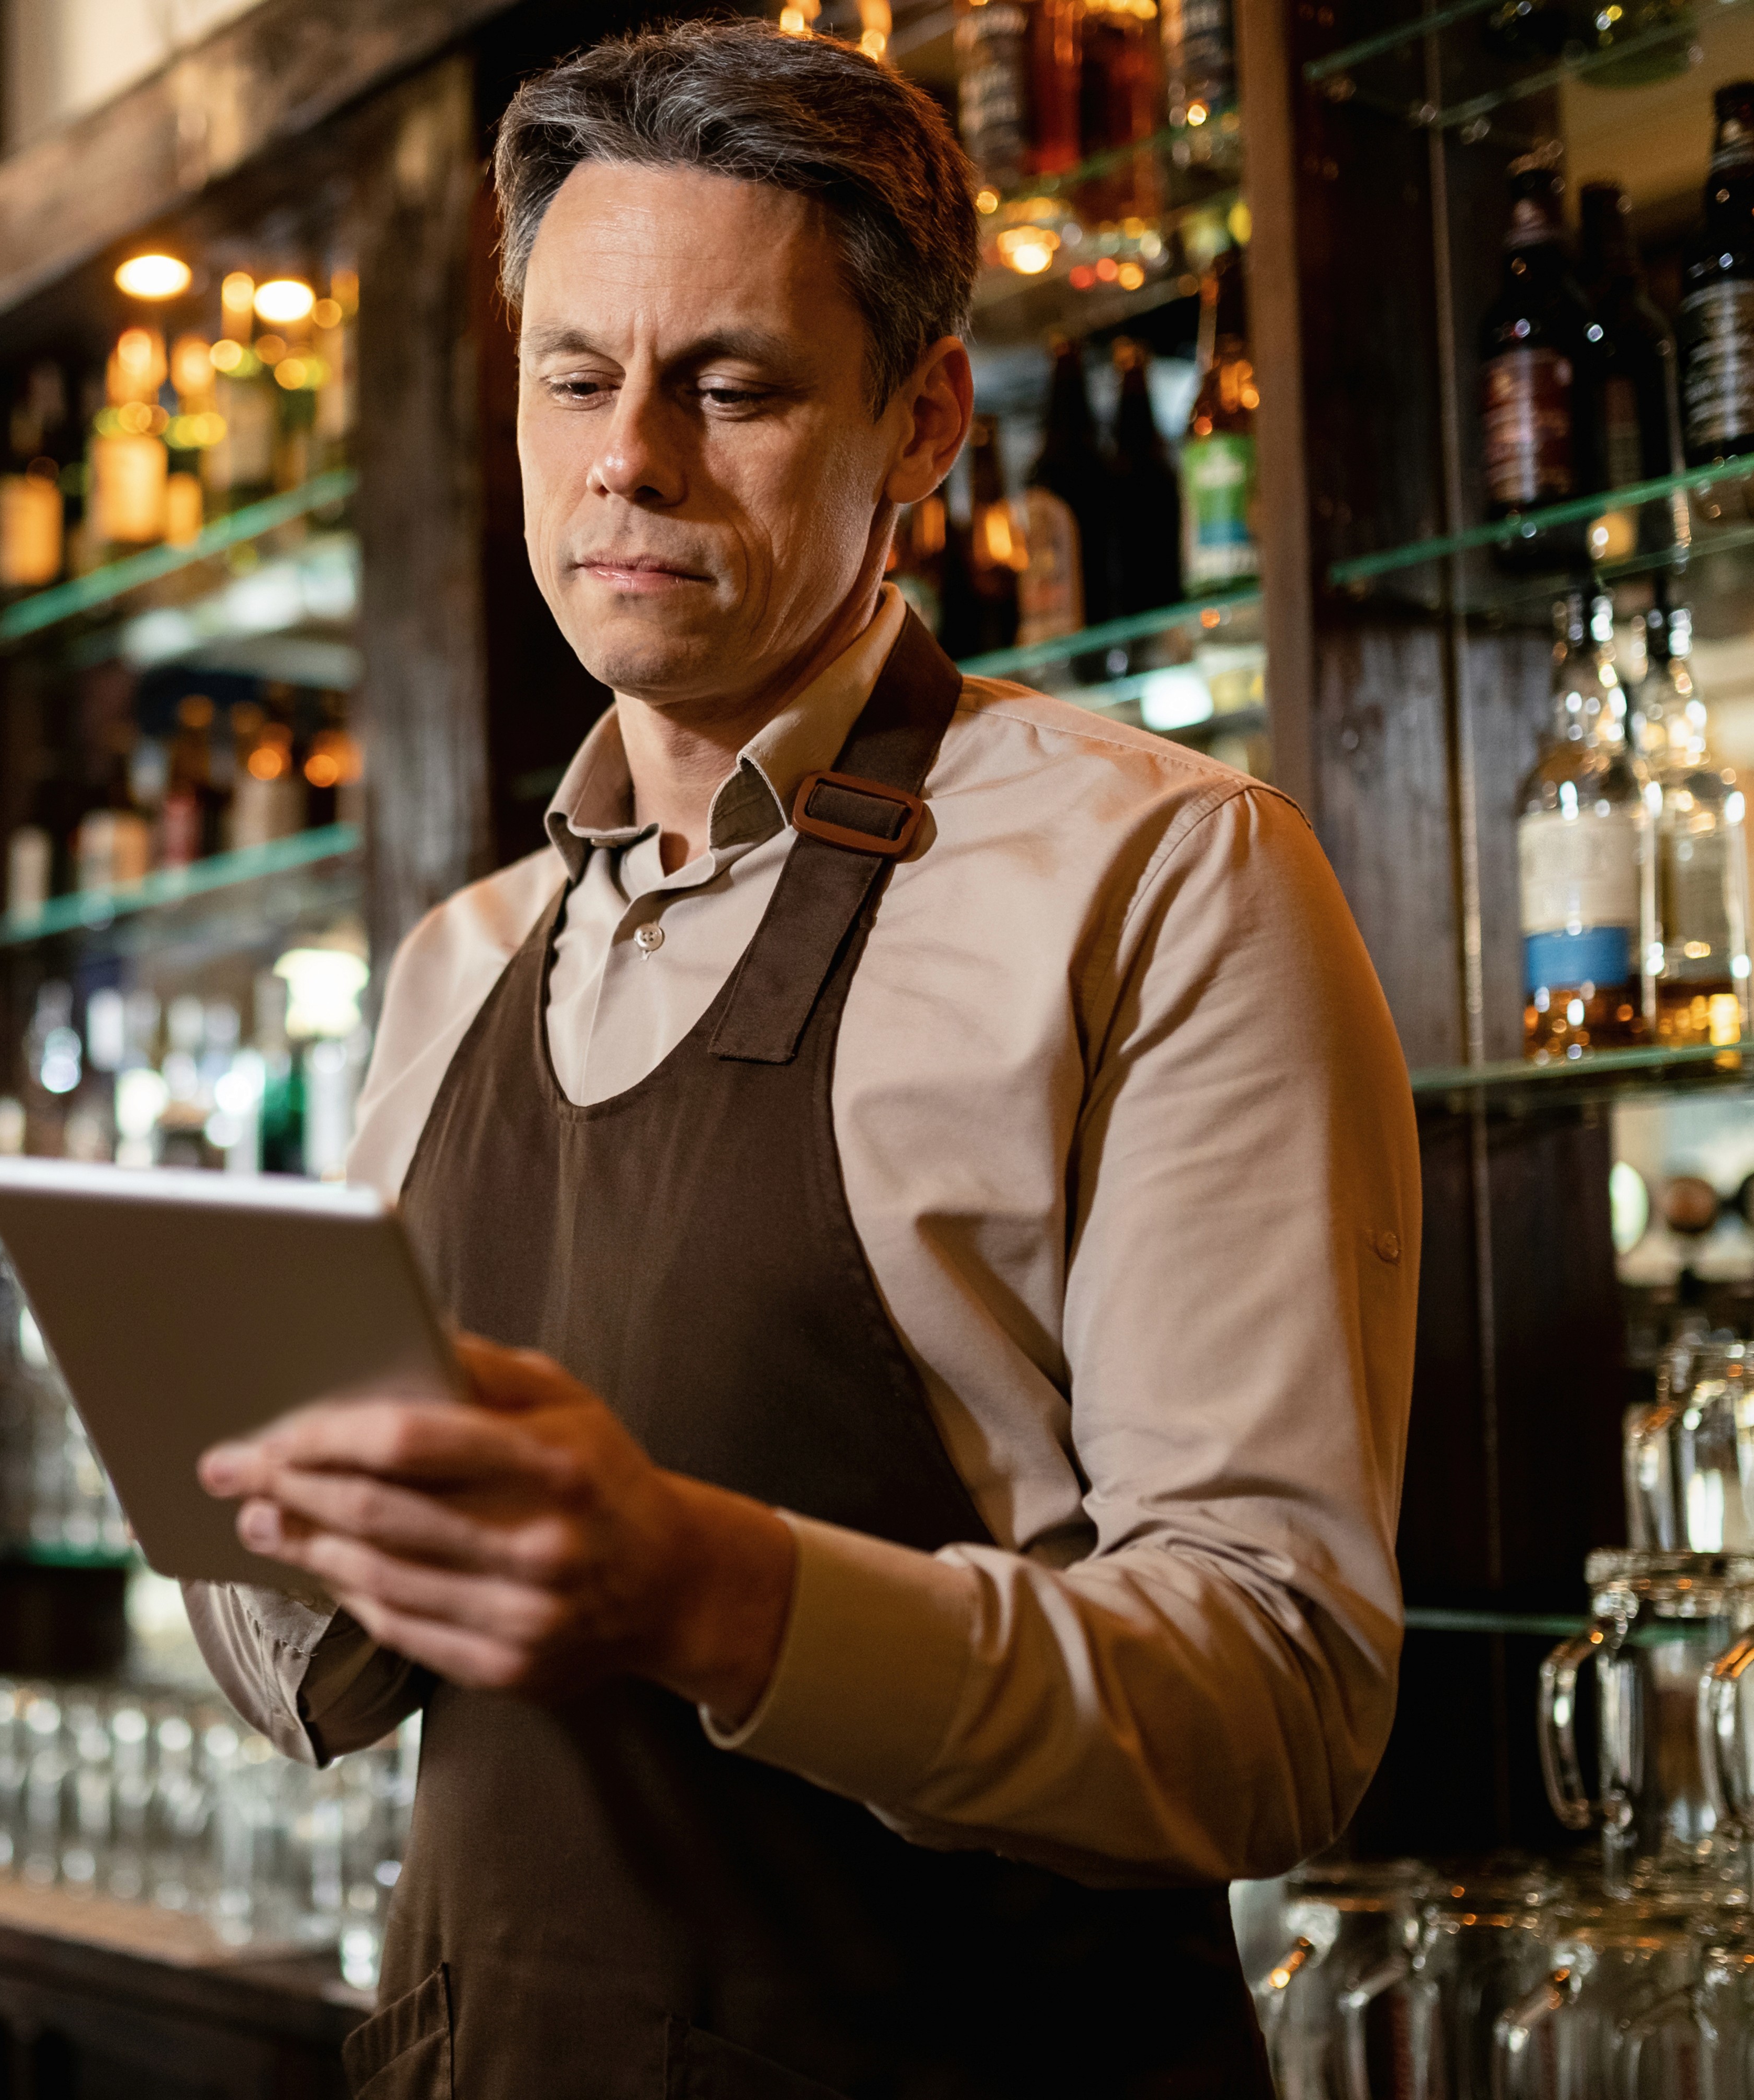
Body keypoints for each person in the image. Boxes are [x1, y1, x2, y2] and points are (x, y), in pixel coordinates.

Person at [186, 23, 1413, 2097]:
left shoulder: (1164, 878)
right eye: (574, 377)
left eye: (731, 385)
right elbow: (320, 1675)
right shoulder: (456, 964)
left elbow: (1276, 1706)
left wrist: (707, 1589)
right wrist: (270, 1519)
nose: (627, 462)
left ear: (921, 420)